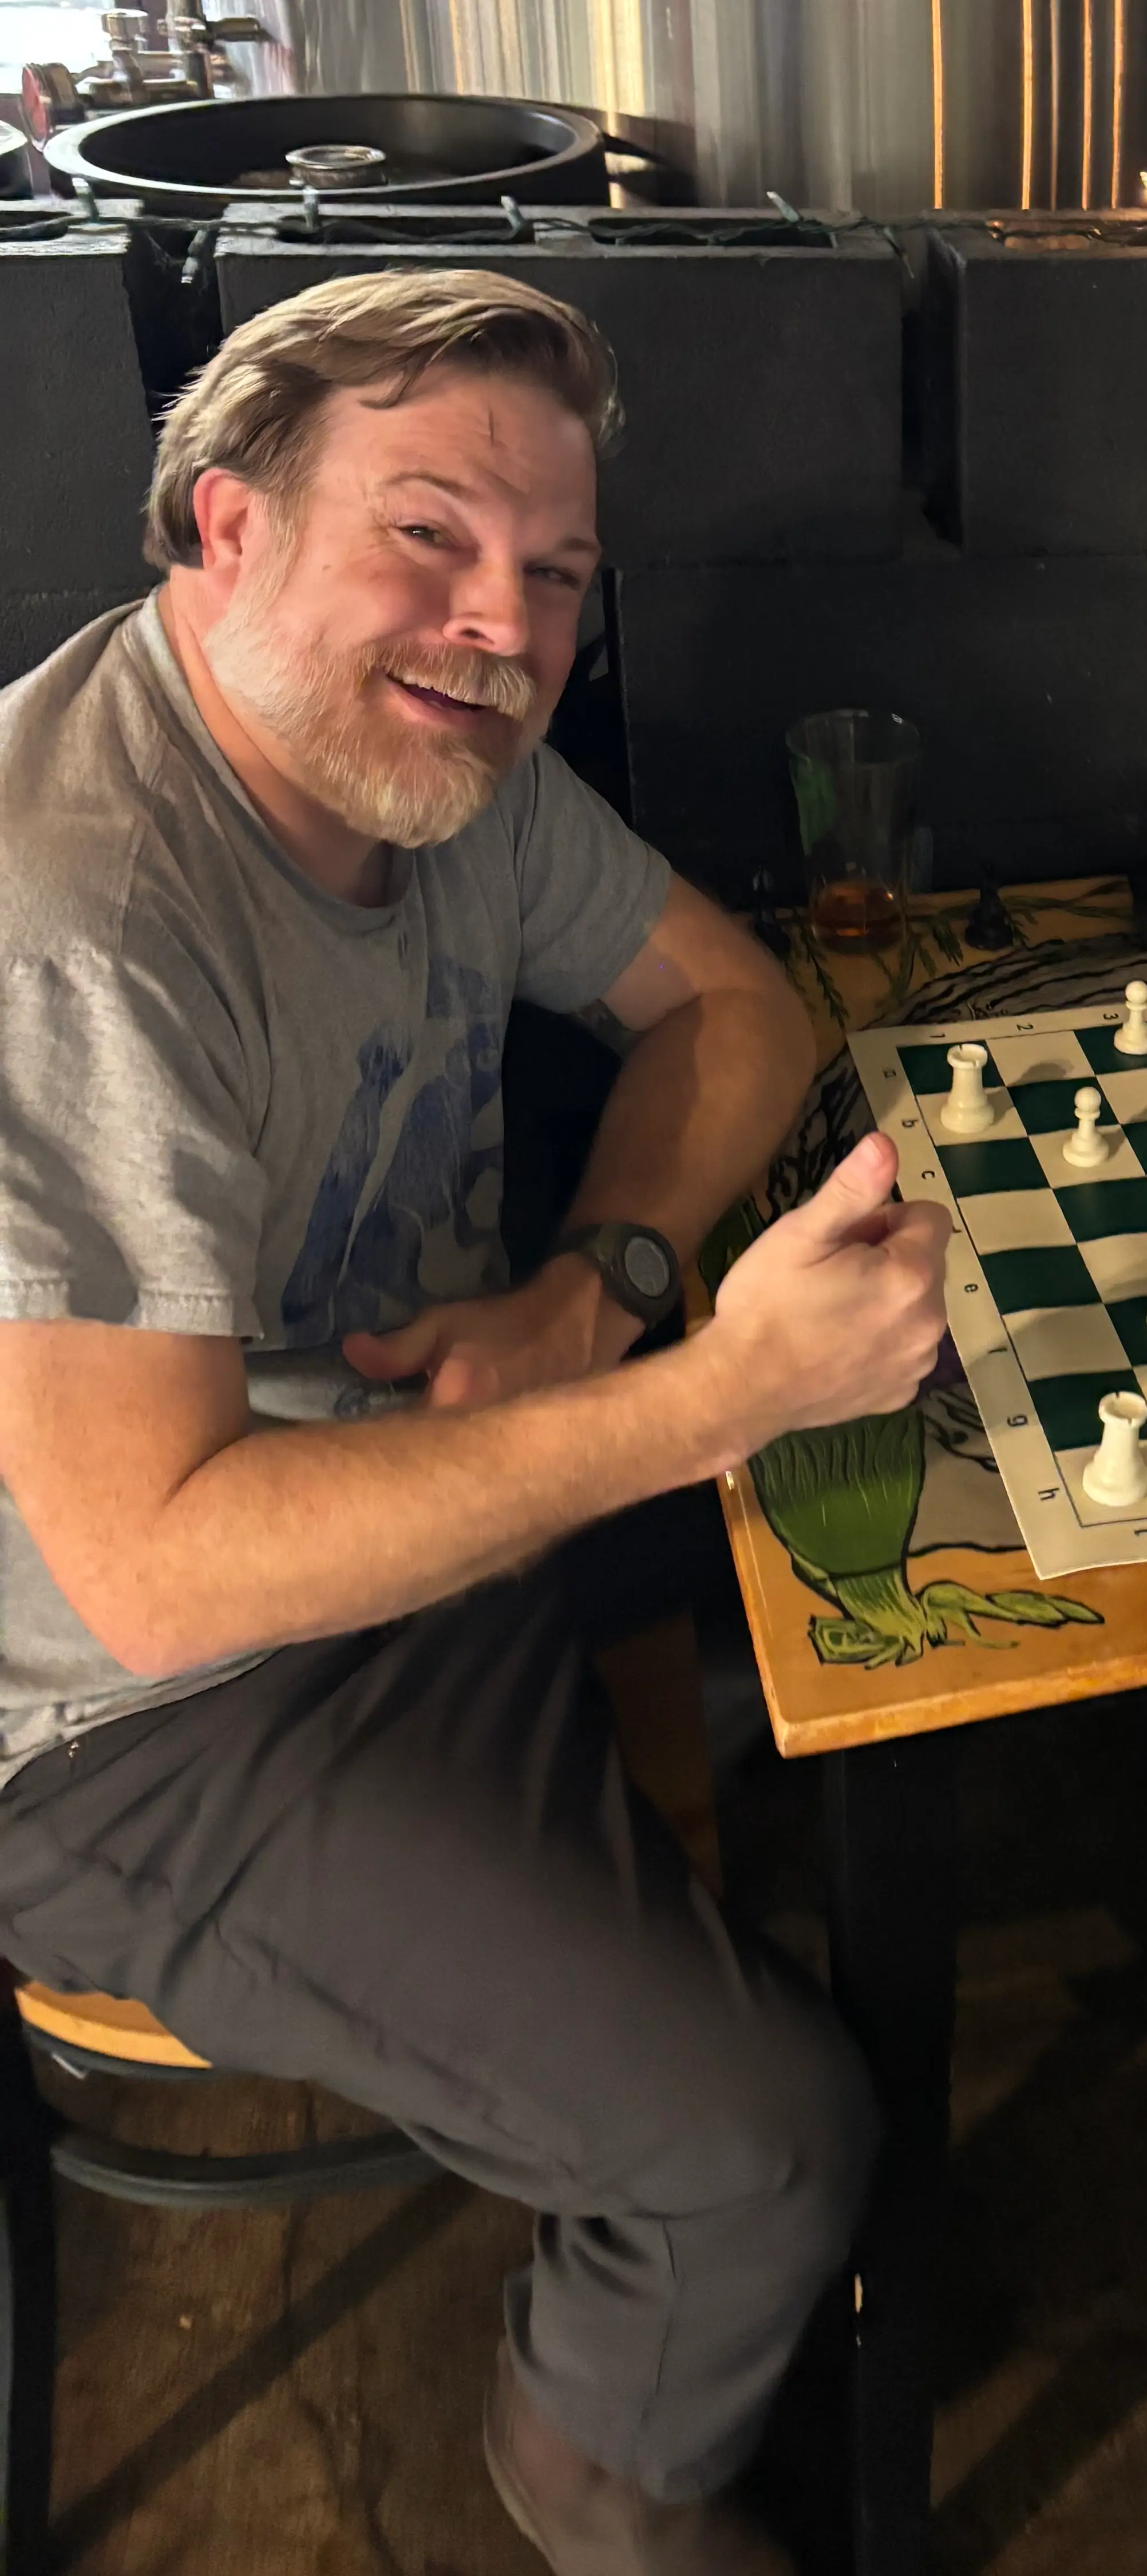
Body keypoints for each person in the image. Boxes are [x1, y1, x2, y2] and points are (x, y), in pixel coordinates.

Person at [0, 271, 951, 2573]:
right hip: (143, 1714)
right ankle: (599, 2456)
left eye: (553, 569)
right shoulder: (81, 924)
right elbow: (155, 1563)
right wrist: (695, 1398)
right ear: (218, 527)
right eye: (425, 536)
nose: (498, 625)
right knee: (774, 2138)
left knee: (968, 1506)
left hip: (418, 1479)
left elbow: (724, 1000)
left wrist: (602, 1285)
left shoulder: (416, 761)